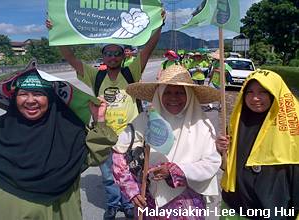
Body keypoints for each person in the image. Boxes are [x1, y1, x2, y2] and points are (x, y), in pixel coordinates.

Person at [46, 12, 164, 219]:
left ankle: (128, 204)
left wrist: (158, 25)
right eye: (108, 53)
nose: (112, 57)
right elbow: (71, 58)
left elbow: (148, 50)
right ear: (103, 57)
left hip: (131, 134)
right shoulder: (96, 75)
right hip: (104, 134)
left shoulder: (131, 72)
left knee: (131, 173)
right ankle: (113, 203)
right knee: (109, 176)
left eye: (116, 53)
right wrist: (56, 32)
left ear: (123, 55)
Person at [0, 72, 118, 220]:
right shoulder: (1, 129)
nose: (30, 100)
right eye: (23, 94)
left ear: (50, 97)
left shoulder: (69, 129)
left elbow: (95, 156)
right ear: (14, 98)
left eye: (38, 93)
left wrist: (100, 121)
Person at [112, 65, 222, 219]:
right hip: (149, 201)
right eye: (167, 92)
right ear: (159, 94)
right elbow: (118, 154)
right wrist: (131, 189)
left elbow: (211, 163)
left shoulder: (203, 126)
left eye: (180, 92)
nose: (173, 98)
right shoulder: (145, 120)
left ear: (189, 95)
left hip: (189, 204)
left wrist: (174, 171)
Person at [216, 69, 299, 219]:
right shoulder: (237, 123)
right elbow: (226, 165)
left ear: (274, 93)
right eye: (249, 92)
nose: (255, 98)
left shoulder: (293, 129)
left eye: (263, 92)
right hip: (235, 207)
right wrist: (220, 149)